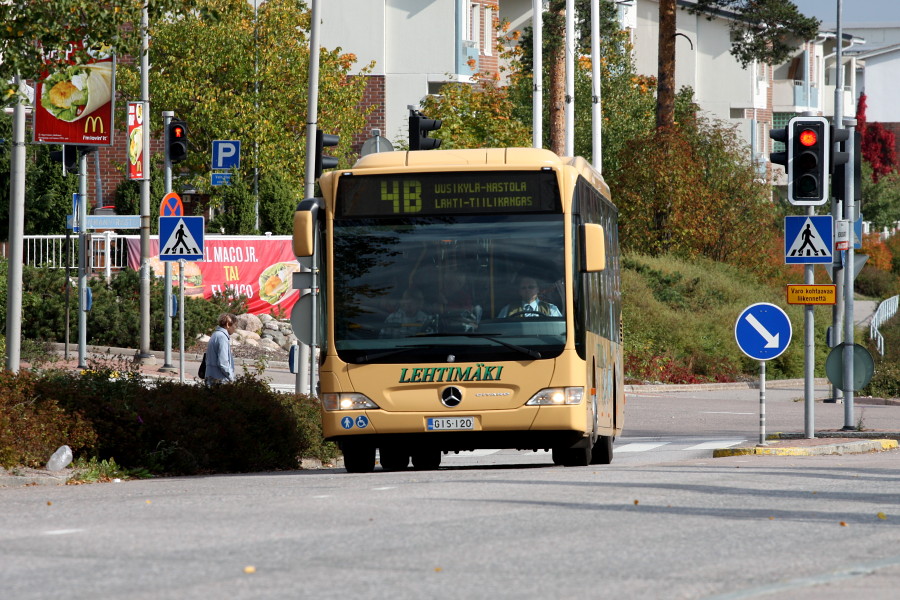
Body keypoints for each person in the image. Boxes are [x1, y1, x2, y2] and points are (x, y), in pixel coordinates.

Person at [497, 274, 562, 318]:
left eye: (531, 287)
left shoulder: (551, 309)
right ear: (519, 291)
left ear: (538, 289)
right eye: (523, 288)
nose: (527, 290)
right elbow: (500, 329)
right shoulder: (507, 310)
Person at [206, 313, 237, 383]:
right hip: (220, 380)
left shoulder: (215, 335)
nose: (235, 328)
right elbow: (223, 362)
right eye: (235, 325)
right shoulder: (222, 338)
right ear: (228, 325)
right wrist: (231, 378)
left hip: (211, 378)